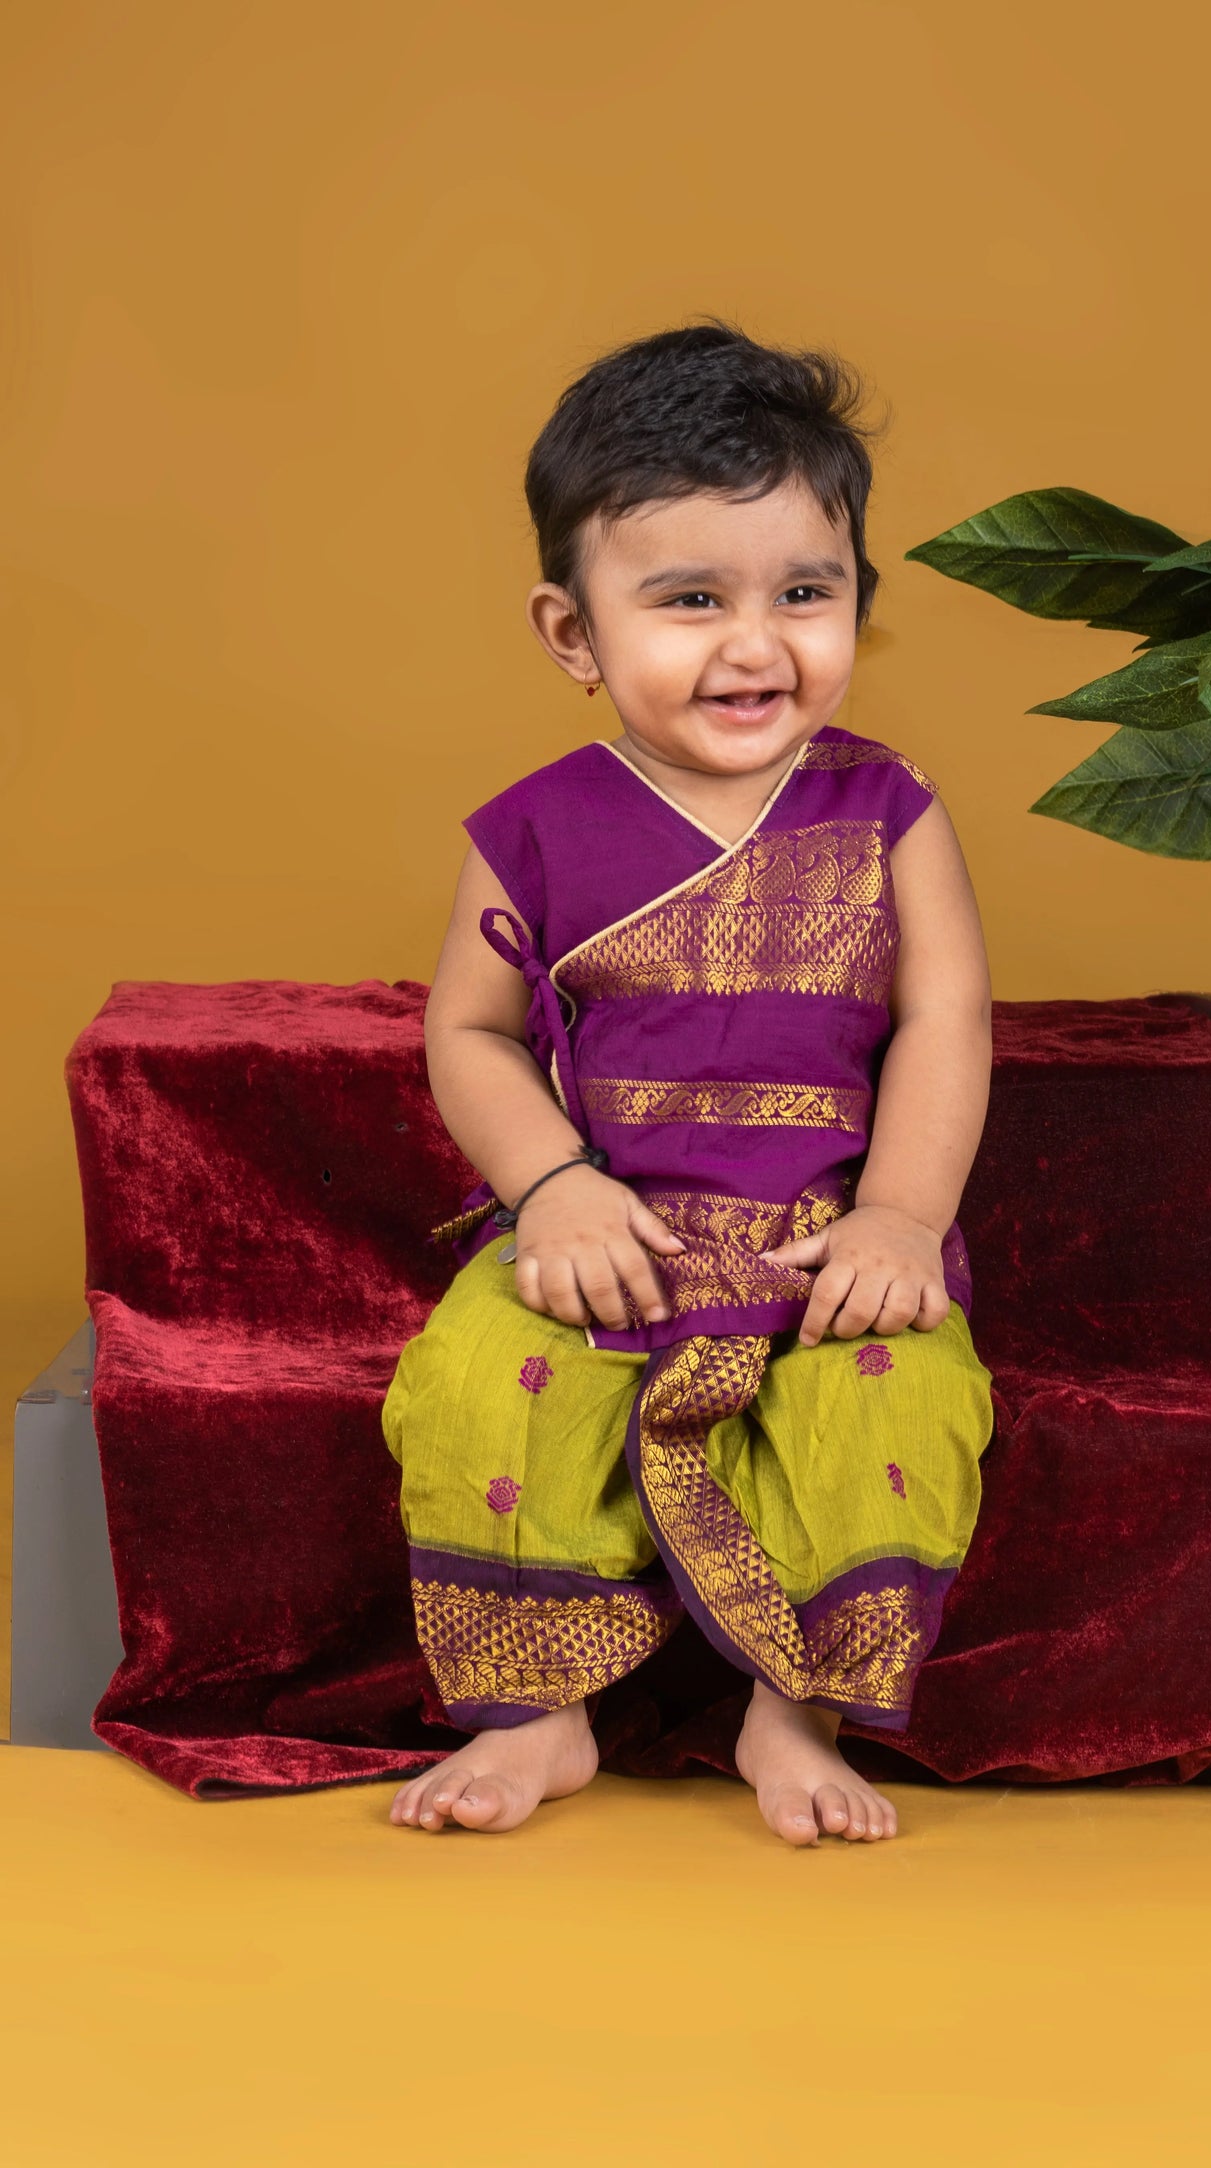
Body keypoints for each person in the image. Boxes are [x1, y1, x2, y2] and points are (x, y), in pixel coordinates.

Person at [382, 324, 995, 1846]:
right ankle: (539, 1719)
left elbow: (945, 1016)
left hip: (816, 1237)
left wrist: (902, 1220)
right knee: (475, 1383)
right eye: (687, 601)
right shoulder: (532, 830)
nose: (754, 644)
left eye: (805, 592)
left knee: (893, 1400)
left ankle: (794, 1717)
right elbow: (468, 1034)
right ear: (572, 631)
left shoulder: (886, 810)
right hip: (614, 1236)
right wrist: (555, 1191)